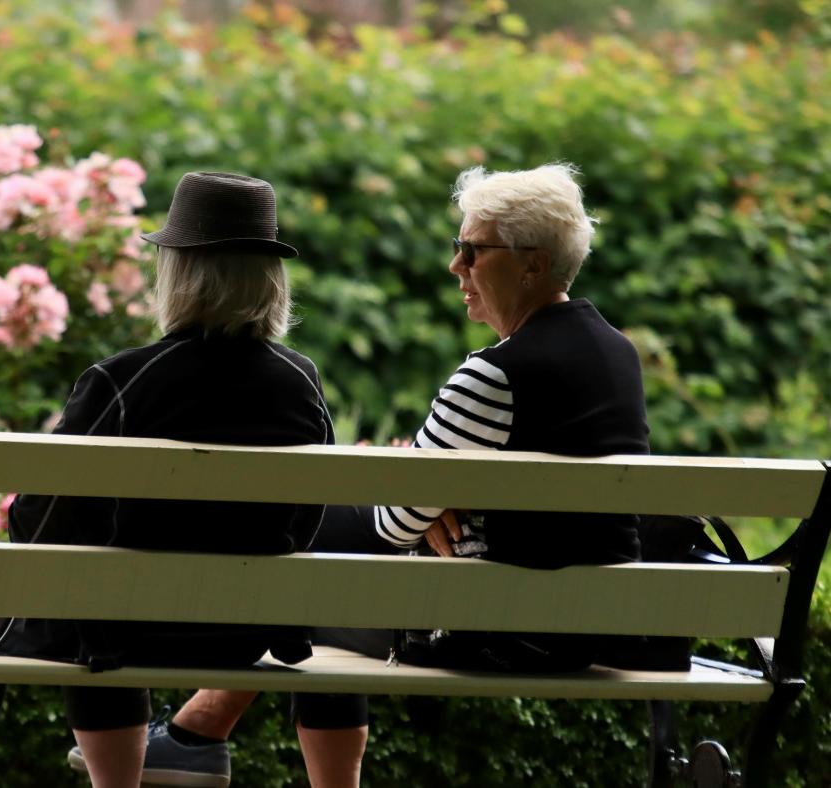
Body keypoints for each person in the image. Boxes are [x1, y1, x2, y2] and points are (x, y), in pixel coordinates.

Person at [78, 162, 650, 787]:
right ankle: (198, 732)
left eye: (471, 250)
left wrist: (428, 508)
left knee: (314, 556)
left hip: (509, 630)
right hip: (598, 623)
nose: (455, 266)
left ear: (532, 265)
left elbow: (395, 522)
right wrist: (437, 506)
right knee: (320, 559)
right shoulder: (616, 353)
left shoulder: (495, 375)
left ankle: (198, 734)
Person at [0, 171, 338, 788]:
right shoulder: (301, 382)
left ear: (178, 273)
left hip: (119, 628)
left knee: (64, 601)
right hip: (241, 635)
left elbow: (39, 522)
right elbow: (305, 521)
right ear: (270, 279)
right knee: (101, 597)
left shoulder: (123, 379)